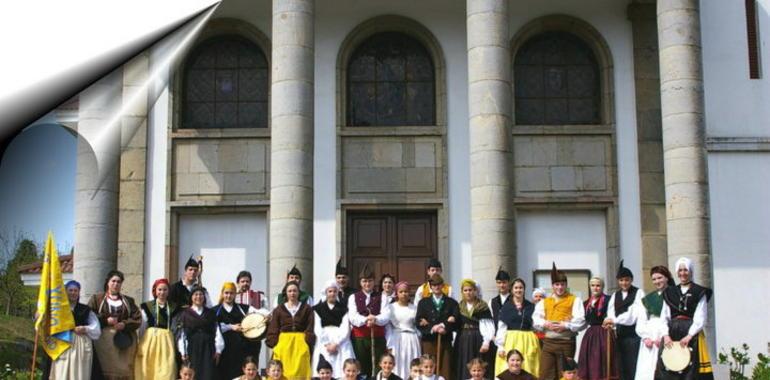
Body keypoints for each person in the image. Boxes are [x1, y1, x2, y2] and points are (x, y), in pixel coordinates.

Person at [655, 257, 714, 380]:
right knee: (668, 368)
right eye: (680, 270)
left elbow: (701, 317)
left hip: (691, 333)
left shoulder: (699, 291)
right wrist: (665, 335)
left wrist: (689, 335)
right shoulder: (669, 292)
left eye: (686, 270)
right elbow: (664, 317)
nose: (683, 273)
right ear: (677, 272)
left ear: (691, 271)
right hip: (671, 333)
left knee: (691, 370)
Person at [532, 263, 585, 380]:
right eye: (557, 284)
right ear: (552, 286)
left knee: (566, 375)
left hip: (566, 343)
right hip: (548, 343)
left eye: (562, 284)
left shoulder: (574, 300)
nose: (560, 287)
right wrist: (545, 323)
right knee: (546, 374)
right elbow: (535, 319)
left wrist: (565, 325)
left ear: (566, 285)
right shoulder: (544, 302)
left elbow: (580, 321)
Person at [88, 270, 142, 380]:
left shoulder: (128, 301)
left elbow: (137, 318)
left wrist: (124, 324)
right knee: (104, 371)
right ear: (108, 282)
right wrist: (105, 320)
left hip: (125, 342)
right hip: (103, 343)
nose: (116, 284)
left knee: (124, 371)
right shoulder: (97, 299)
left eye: (119, 282)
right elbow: (89, 316)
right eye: (113, 281)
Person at [49, 280, 101, 379]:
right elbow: (48, 322)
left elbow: (96, 328)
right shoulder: (57, 308)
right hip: (62, 343)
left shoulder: (85, 309)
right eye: (70, 290)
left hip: (80, 345)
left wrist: (85, 328)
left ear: (78, 293)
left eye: (75, 291)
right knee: (61, 372)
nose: (73, 293)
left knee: (78, 373)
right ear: (65, 292)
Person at [266, 281, 316, 380]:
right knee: (282, 369)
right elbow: (274, 326)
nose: (292, 293)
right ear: (286, 293)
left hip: (300, 342)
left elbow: (310, 325)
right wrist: (274, 343)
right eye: (290, 291)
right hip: (284, 342)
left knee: (301, 368)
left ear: (298, 293)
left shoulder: (307, 308)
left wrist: (308, 340)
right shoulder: (279, 309)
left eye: (294, 291)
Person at [603, 260, 644, 380]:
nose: (624, 283)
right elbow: (610, 312)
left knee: (633, 364)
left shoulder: (638, 293)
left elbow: (633, 314)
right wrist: (609, 322)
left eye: (627, 280)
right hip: (619, 334)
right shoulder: (615, 295)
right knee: (621, 365)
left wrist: (614, 320)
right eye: (621, 280)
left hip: (633, 335)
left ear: (631, 280)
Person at [348, 264, 390, 377]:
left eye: (370, 281)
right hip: (360, 338)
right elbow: (352, 316)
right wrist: (366, 320)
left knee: (378, 367)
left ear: (374, 281)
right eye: (364, 281)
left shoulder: (382, 296)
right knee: (362, 367)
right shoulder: (353, 297)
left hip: (378, 338)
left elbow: (386, 315)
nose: (367, 284)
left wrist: (375, 319)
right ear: (360, 282)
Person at [634, 266, 675, 380]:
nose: (657, 281)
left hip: (668, 332)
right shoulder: (649, 298)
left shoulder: (675, 294)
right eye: (654, 279)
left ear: (667, 277)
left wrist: (664, 336)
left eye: (660, 278)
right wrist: (645, 337)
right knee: (647, 367)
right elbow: (641, 319)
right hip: (650, 333)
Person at [494, 278, 540, 378]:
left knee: (528, 367)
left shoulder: (531, 306)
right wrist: (500, 346)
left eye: (521, 288)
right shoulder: (506, 307)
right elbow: (501, 327)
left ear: (524, 289)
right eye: (516, 288)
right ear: (511, 290)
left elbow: (536, 324)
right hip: (511, 339)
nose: (518, 290)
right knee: (510, 366)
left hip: (527, 340)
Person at [216, 282, 263, 380]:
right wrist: (231, 327)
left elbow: (259, 312)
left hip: (242, 351)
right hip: (224, 352)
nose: (229, 296)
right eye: (226, 293)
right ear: (222, 294)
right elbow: (213, 326)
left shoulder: (243, 308)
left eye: (231, 293)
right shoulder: (215, 311)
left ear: (235, 294)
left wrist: (266, 315)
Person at [416, 274, 458, 379]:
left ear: (443, 285)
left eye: (439, 285)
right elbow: (419, 321)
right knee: (428, 367)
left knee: (445, 369)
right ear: (430, 286)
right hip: (429, 340)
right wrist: (431, 328)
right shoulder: (423, 303)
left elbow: (456, 321)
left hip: (445, 340)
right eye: (433, 285)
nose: (436, 287)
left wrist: (445, 326)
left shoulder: (451, 303)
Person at [135, 278, 178, 380]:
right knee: (148, 368)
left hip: (167, 342)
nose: (162, 292)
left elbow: (176, 326)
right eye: (159, 290)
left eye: (165, 290)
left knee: (167, 370)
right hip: (150, 341)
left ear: (168, 291)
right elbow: (143, 326)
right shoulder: (147, 306)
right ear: (155, 291)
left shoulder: (174, 307)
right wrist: (141, 342)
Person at [178, 286, 224, 380]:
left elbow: (217, 331)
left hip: (208, 348)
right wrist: (183, 352)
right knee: (193, 374)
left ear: (204, 297)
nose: (198, 297)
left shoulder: (211, 313)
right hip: (192, 348)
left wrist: (218, 350)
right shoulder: (185, 314)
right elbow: (182, 334)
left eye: (201, 294)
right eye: (196, 294)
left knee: (208, 374)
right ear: (191, 297)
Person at [312, 280, 355, 377]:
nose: (332, 294)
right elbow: (317, 328)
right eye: (330, 291)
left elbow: (345, 329)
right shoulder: (318, 309)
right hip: (323, 341)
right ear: (326, 293)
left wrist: (336, 343)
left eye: (335, 291)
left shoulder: (344, 308)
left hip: (340, 341)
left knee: (340, 369)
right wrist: (327, 344)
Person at [577, 277, 616, 380]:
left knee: (604, 360)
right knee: (591, 361)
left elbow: (613, 315)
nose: (595, 288)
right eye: (593, 285)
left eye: (598, 285)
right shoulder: (586, 303)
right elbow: (582, 321)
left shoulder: (609, 300)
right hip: (591, 335)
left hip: (605, 332)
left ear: (602, 287)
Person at [455, 278, 495, 378]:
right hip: (463, 338)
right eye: (465, 290)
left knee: (479, 363)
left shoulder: (482, 306)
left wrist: (486, 342)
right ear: (462, 292)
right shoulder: (459, 306)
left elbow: (488, 325)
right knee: (465, 362)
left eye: (470, 290)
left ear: (475, 291)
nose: (468, 292)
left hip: (478, 337)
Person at [385, 281, 421, 379]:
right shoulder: (391, 307)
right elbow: (388, 326)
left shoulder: (414, 308)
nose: (403, 294)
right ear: (397, 293)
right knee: (399, 363)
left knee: (411, 362)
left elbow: (416, 326)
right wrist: (389, 343)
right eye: (401, 292)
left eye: (406, 291)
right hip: (397, 338)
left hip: (411, 339)